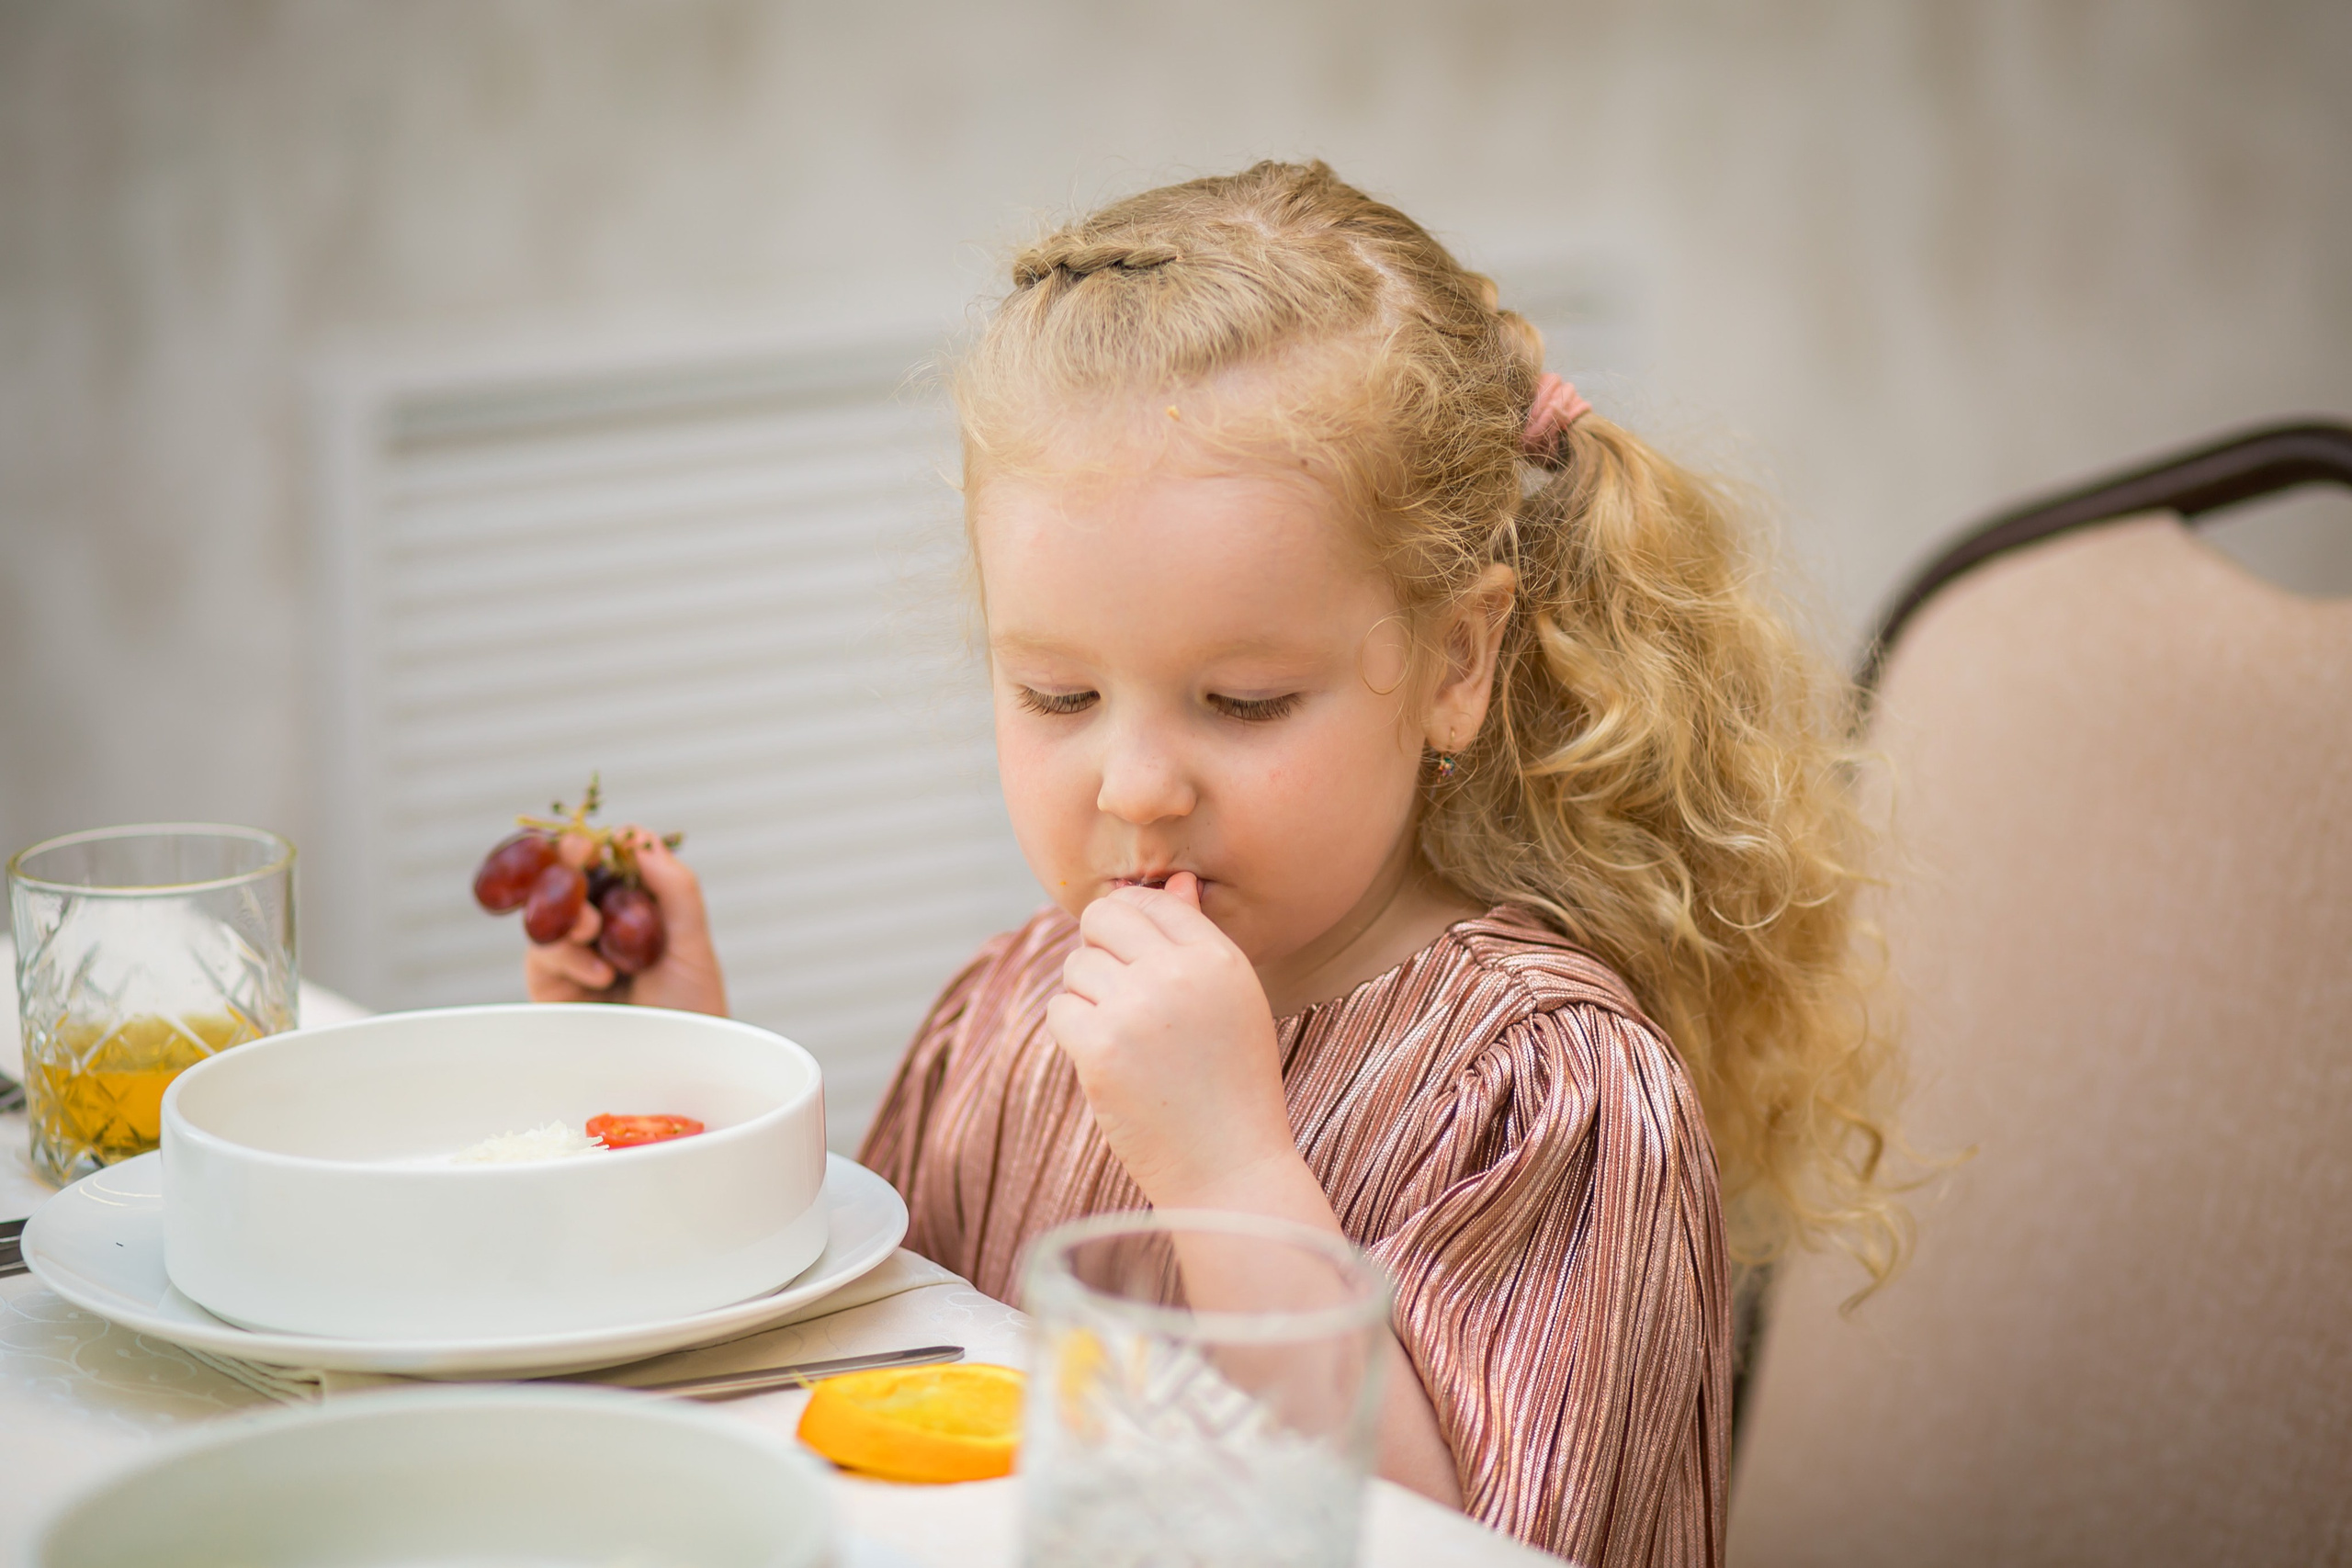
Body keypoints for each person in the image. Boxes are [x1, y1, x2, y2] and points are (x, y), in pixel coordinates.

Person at [525, 161, 1904, 1567]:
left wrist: (1231, 1166)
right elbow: (871, 1364)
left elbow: (1444, 1551)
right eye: (1058, 696)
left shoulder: (1546, 1093)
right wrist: (687, 1080)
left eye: (1244, 703)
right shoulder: (1010, 1011)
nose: (1134, 786)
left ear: (1455, 661)